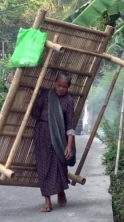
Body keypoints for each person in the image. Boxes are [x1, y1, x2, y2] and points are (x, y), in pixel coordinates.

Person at [31, 71, 75, 212]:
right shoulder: (45, 95)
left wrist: (69, 145)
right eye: (59, 85)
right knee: (44, 166)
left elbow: (70, 125)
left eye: (64, 87)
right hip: (42, 133)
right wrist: (34, 99)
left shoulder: (68, 101)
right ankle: (47, 201)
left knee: (60, 165)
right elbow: (35, 114)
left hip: (58, 136)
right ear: (54, 83)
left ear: (68, 87)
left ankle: (61, 191)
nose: (61, 89)